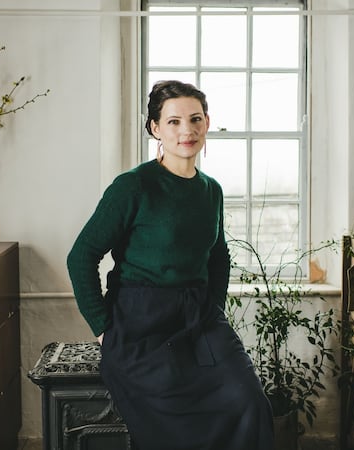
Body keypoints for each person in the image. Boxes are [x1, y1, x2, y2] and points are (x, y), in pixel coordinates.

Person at [67, 80, 274, 450]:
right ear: (155, 128)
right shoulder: (133, 187)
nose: (186, 130)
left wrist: (213, 309)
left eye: (195, 119)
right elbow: (81, 256)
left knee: (249, 401)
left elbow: (218, 257)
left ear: (207, 123)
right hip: (140, 323)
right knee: (171, 424)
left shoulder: (211, 190)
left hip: (200, 319)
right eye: (174, 121)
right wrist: (103, 329)